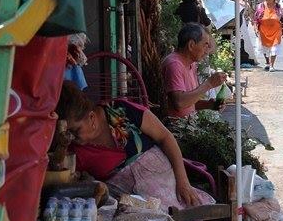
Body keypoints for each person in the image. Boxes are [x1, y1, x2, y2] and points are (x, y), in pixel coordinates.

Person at [55, 81, 212, 208]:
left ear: (91, 117)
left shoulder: (121, 110)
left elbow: (165, 137)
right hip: (130, 207)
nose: (71, 137)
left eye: (75, 130)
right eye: (66, 133)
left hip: (170, 186)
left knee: (198, 211)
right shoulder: (72, 152)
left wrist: (183, 182)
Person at [162, 23, 227, 120]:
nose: (206, 51)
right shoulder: (174, 64)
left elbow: (189, 102)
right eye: (205, 45)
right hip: (174, 128)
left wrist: (209, 105)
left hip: (188, 124)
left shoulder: (191, 64)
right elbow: (179, 103)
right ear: (191, 45)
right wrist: (209, 84)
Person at [254, 0, 283, 72]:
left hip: (276, 30)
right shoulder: (260, 6)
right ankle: (267, 63)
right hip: (263, 31)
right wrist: (255, 28)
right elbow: (256, 19)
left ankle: (272, 65)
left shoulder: (278, 7)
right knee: (264, 48)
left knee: (274, 48)